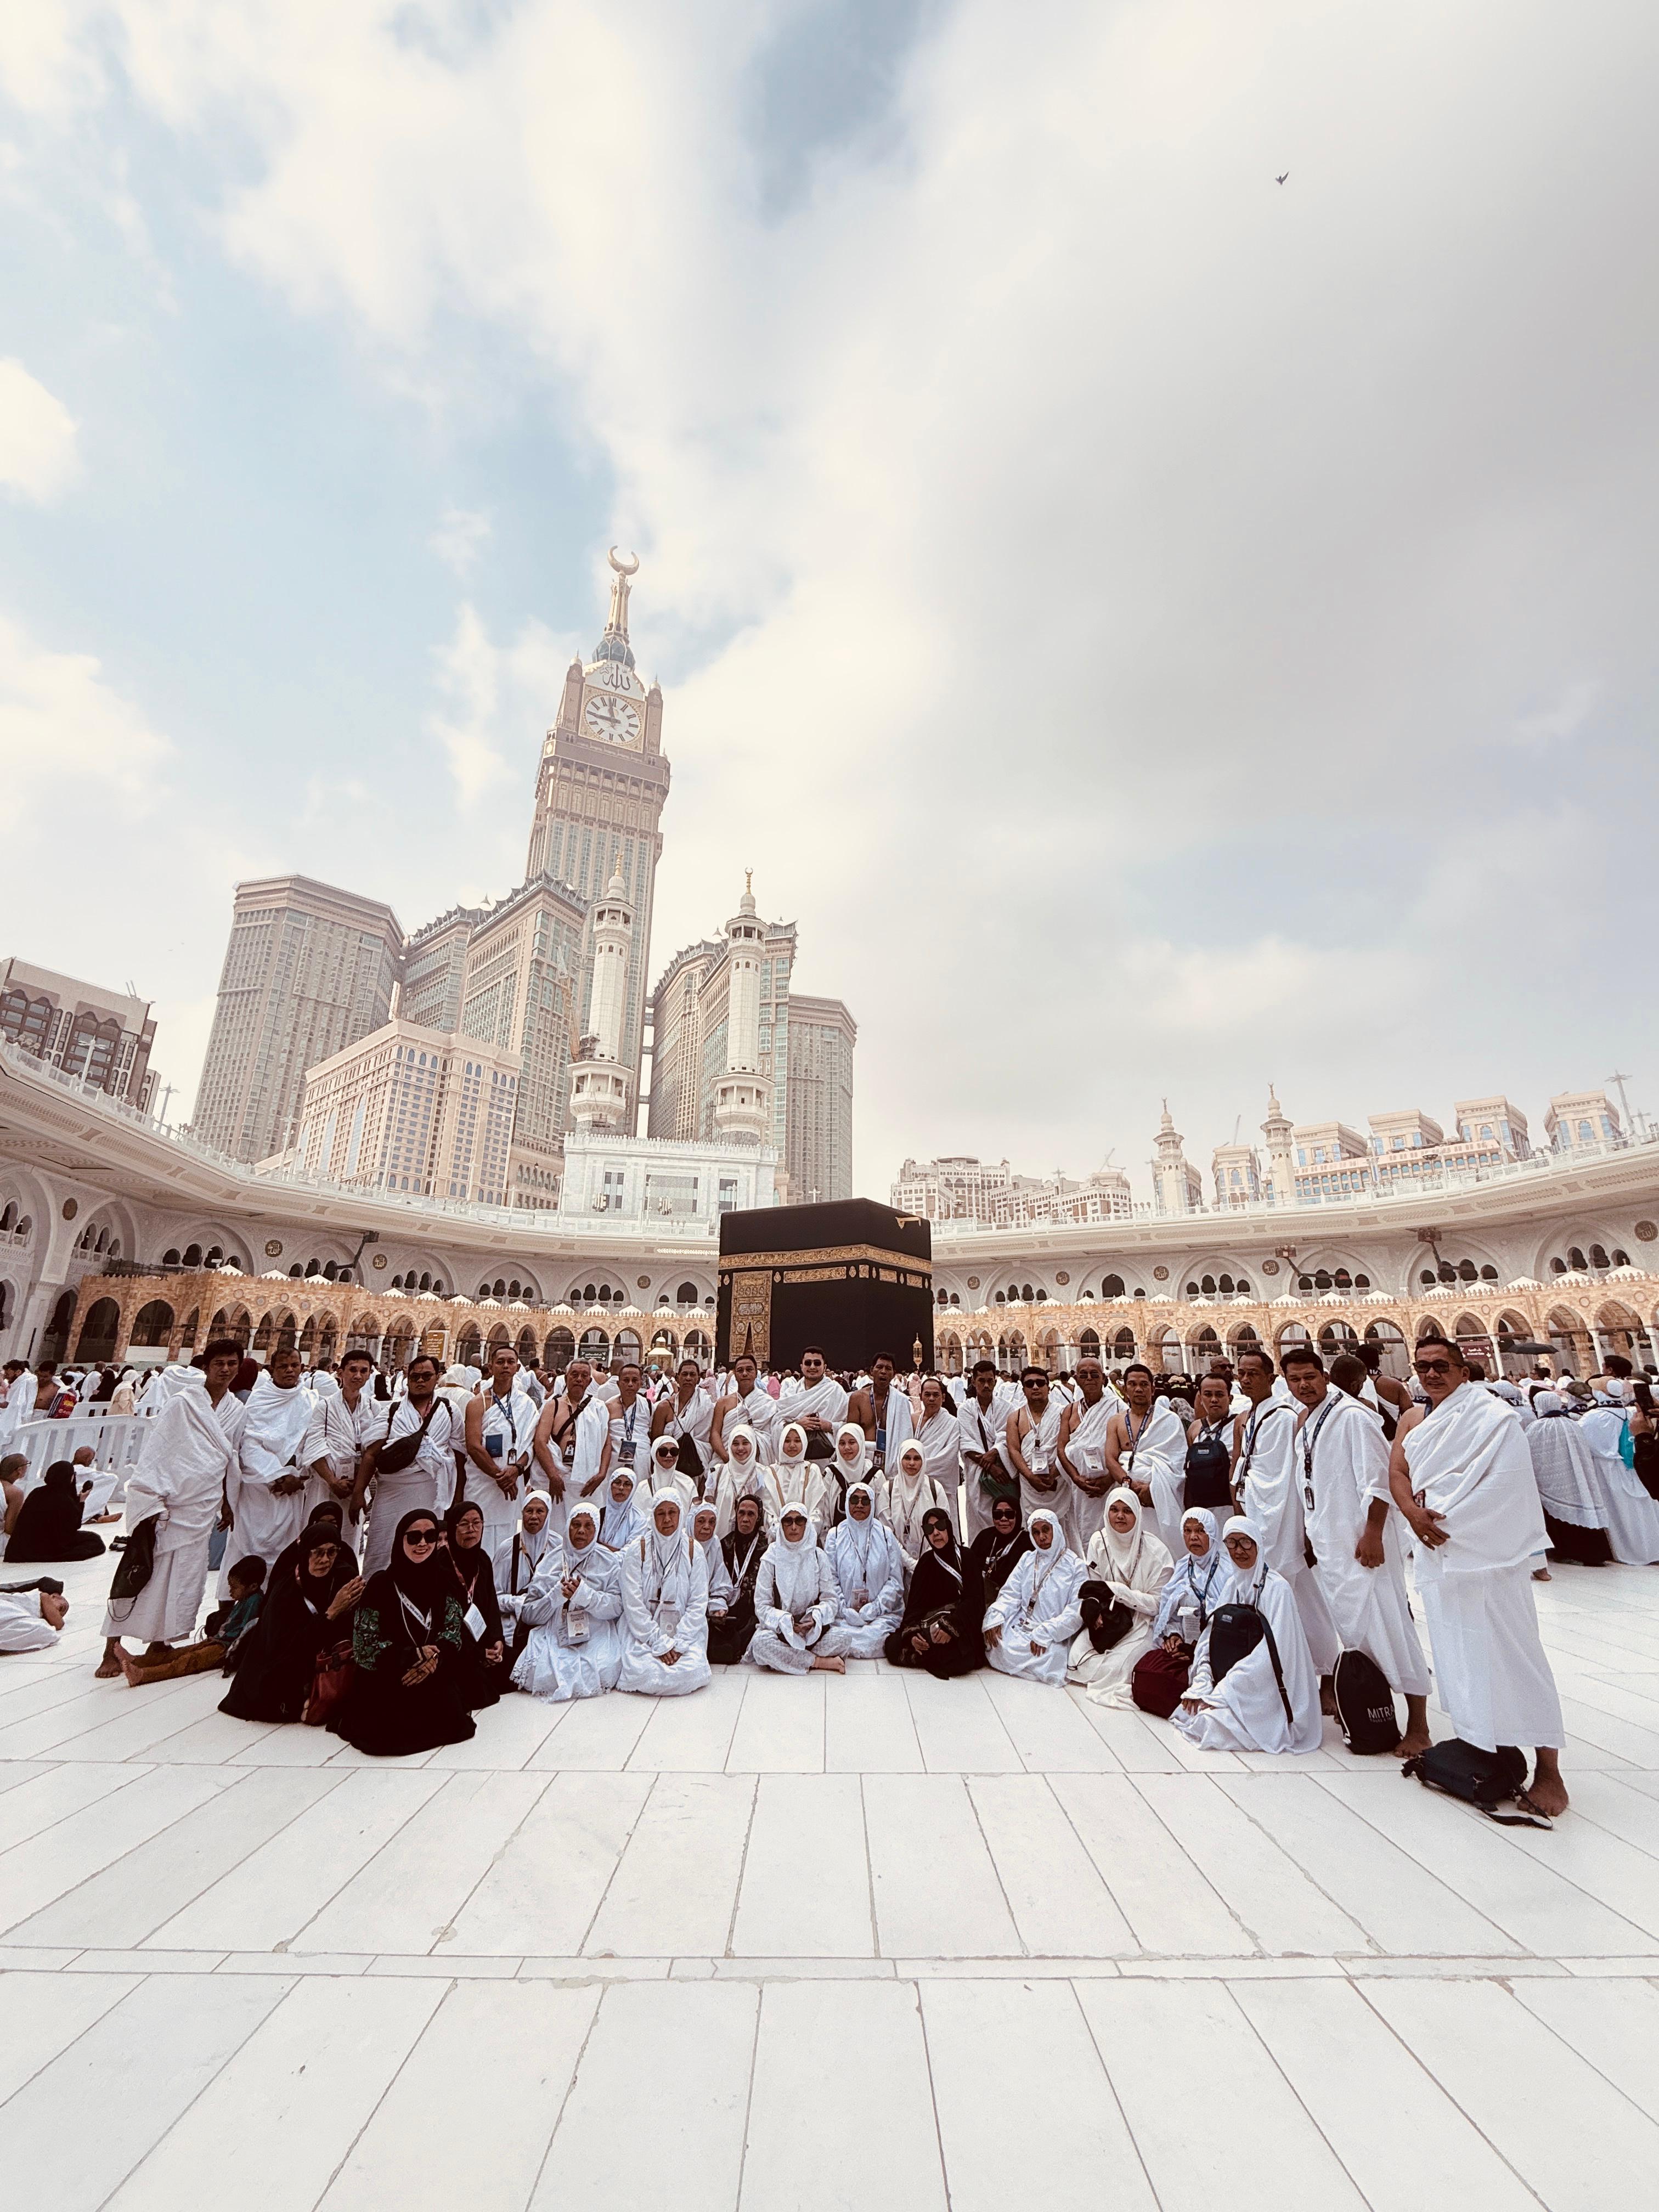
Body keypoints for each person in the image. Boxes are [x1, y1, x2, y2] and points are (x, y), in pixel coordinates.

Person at [1393, 1336, 1568, 1816]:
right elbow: (1398, 1474)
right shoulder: (1415, 1420)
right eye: (1423, 1367)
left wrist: (1454, 1525)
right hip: (1440, 1561)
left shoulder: (1493, 1418)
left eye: (1441, 1366)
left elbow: (1509, 1484)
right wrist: (1412, 1514)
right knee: (1462, 1657)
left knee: (1517, 1657)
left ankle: (1550, 1772)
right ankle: (1484, 1744)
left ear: (1462, 1371)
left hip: (1489, 1558)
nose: (1432, 1375)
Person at [1283, 1345, 1432, 1754]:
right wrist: (1311, 1534)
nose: (1303, 1386)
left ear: (1324, 1376)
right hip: (1332, 1546)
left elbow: (1380, 1480)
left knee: (1391, 1628)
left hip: (1363, 1545)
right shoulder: (1309, 1421)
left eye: (1309, 1377)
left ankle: (1419, 1726)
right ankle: (1372, 1713)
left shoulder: (1352, 1417)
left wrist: (1372, 1532)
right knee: (1356, 1635)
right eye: (1294, 1380)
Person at [97, 1339, 246, 1679]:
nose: (226, 1369)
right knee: (141, 1574)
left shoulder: (236, 1410)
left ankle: (161, 1642)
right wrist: (153, 1498)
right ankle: (110, 1647)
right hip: (169, 1503)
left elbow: (227, 1457)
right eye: (219, 1363)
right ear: (206, 1367)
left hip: (202, 1505)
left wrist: (227, 1501)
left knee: (185, 1579)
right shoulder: (184, 1403)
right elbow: (161, 1451)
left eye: (232, 1363)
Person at [330, 1509, 476, 1756]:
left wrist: (431, 1661)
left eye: (430, 1537)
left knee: (451, 1713)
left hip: (432, 1672)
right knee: (385, 1733)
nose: (423, 1544)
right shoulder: (381, 1585)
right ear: (400, 1540)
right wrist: (411, 1656)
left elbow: (453, 1632)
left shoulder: (443, 1580)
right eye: (414, 1537)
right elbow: (364, 1647)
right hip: (389, 1675)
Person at [1175, 1516, 1323, 1753]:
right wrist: (1202, 1686)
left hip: (1268, 1688)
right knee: (1188, 1713)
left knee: (1209, 1725)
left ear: (1258, 1546)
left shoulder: (1278, 1589)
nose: (1239, 1551)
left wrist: (1223, 1694)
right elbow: (1208, 1643)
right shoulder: (1232, 1585)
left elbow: (1271, 1656)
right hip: (1234, 1683)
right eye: (1232, 1543)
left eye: (1246, 1543)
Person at [1231, 1347, 1339, 1672]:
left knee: (1290, 1600)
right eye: (1242, 1374)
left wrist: (1283, 1530)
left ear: (1271, 1378)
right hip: (1258, 1517)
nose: (1247, 1380)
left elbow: (1283, 1480)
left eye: (1254, 1374)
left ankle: (1315, 1669)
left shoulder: (1283, 1417)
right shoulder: (1251, 1418)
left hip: (1278, 1524)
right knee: (1301, 1601)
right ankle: (1312, 1667)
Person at [218, 1518, 363, 1722]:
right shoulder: (286, 1591)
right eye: (318, 1552)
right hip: (287, 1666)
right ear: (305, 1553)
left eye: (332, 1552)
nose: (325, 1560)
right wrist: (332, 1613)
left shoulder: (342, 1577)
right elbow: (286, 1649)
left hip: (333, 1659)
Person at [1067, 1487, 1173, 1707]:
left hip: (1142, 1621)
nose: (1120, 1516)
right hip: (1109, 1617)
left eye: (1127, 1511)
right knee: (1075, 1661)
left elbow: (1158, 1604)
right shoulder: (1099, 1541)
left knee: (1117, 1670)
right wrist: (1094, 1609)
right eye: (1114, 1510)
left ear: (1137, 1514)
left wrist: (1119, 1592)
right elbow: (1093, 1586)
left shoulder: (1157, 1551)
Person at [355, 1355, 459, 1575]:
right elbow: (371, 1454)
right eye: (415, 1377)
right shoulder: (392, 1411)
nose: (420, 1381)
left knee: (425, 1548)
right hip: (392, 1493)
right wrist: (358, 1493)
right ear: (408, 1379)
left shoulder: (449, 1411)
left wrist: (457, 1500)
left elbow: (459, 1456)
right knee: (382, 1549)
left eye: (427, 1376)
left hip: (431, 1493)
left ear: (437, 1378)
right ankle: (376, 1600)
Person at [514, 1502, 625, 1701]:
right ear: (567, 1527)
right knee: (541, 1667)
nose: (581, 1531)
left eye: (588, 1526)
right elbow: (529, 1613)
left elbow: (617, 1607)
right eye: (576, 1525)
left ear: (596, 1529)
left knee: (602, 1666)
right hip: (555, 1630)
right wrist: (555, 1597)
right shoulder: (551, 1560)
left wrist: (586, 1596)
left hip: (595, 1630)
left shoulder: (608, 1561)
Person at [224, 1347, 317, 1588]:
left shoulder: (310, 1400)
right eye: (283, 1366)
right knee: (247, 1553)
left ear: (302, 1368)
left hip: (294, 1489)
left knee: (286, 1553)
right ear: (272, 1370)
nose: (290, 1371)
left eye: (295, 1365)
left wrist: (299, 1476)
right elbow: (249, 1443)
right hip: (260, 1489)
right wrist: (278, 1476)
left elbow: (312, 1443)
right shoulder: (260, 1399)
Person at [614, 1488, 711, 1696]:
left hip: (685, 1632)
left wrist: (679, 1643)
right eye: (661, 1513)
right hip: (643, 1632)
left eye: (672, 1513)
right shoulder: (636, 1550)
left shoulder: (694, 1550)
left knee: (690, 1672)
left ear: (681, 1514)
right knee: (646, 1672)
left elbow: (698, 1603)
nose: (667, 1520)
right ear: (653, 1516)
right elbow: (633, 1605)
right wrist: (657, 1641)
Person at [983, 1507, 1087, 1684]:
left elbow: (1077, 1610)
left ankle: (1027, 1663)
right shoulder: (1028, 1559)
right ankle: (1028, 1665)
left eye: (1046, 1530)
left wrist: (1047, 1632)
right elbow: (1010, 1594)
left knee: (1054, 1655)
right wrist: (996, 1616)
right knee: (998, 1640)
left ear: (1056, 1529)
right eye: (1036, 1532)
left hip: (1052, 1630)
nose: (1042, 1537)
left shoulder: (1075, 1565)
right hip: (1022, 1624)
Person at [750, 1503, 851, 1674]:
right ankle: (818, 1661)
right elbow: (761, 1605)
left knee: (845, 1638)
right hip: (780, 1631)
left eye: (800, 1521)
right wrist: (785, 1621)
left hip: (812, 1631)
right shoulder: (771, 1557)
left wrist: (814, 1618)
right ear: (781, 1526)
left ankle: (790, 1659)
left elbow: (831, 1601)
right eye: (788, 1522)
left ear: (807, 1524)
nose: (794, 1527)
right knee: (760, 1645)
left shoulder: (818, 1556)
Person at [459, 1345, 539, 1555]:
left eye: (510, 1362)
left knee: (509, 1537)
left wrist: (515, 1470)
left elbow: (531, 1444)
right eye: (500, 1362)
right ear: (491, 1367)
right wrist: (500, 1475)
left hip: (514, 1481)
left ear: (517, 1367)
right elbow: (474, 1446)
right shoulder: (477, 1403)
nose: (505, 1366)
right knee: (478, 1530)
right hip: (484, 1482)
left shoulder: (527, 1404)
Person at [884, 1505, 983, 1676]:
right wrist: (913, 1635)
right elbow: (915, 1607)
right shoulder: (926, 1562)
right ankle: (925, 1650)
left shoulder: (966, 1558)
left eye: (940, 1527)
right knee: (892, 1646)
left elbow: (975, 1601)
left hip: (961, 1623)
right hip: (931, 1625)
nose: (936, 1533)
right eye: (930, 1529)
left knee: (961, 1657)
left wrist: (950, 1627)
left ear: (949, 1527)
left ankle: (931, 1655)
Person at [1104, 1364, 1189, 1557]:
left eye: (1144, 1384)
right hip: (1125, 1494)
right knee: (1126, 1548)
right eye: (1132, 1384)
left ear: (1153, 1388)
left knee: (1158, 1550)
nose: (1139, 1389)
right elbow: (1110, 1459)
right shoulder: (1116, 1421)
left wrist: (1153, 1490)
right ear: (1125, 1389)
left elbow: (1178, 1463)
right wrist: (1130, 1484)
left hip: (1157, 1496)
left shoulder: (1168, 1420)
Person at [301, 1347, 387, 1526]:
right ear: (340, 1373)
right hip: (325, 1486)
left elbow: (377, 1449)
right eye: (353, 1370)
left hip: (357, 1486)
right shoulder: (324, 1407)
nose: (358, 1376)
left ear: (370, 1374)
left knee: (350, 1536)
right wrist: (333, 1482)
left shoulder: (374, 1408)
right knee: (321, 1532)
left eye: (364, 1371)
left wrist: (359, 1487)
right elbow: (314, 1447)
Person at [823, 1480, 905, 1656]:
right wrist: (844, 1610)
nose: (859, 1505)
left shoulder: (885, 1534)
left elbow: (895, 1581)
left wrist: (876, 1608)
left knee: (876, 1636)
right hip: (842, 1618)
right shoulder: (835, 1535)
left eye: (865, 1501)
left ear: (873, 1504)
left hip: (882, 1617)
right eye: (854, 1500)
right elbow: (829, 1579)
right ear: (847, 1503)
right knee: (837, 1635)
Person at [443, 1499, 510, 1707]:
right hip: (456, 1646)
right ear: (453, 1527)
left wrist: (497, 1640)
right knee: (478, 1691)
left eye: (477, 1523)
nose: (471, 1530)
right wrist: (479, 1654)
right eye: (464, 1524)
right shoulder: (441, 1563)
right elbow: (444, 1622)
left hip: (481, 1640)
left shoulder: (482, 1559)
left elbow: (491, 1604)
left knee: (516, 1666)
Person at [533, 1356, 608, 1530]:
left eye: (584, 1376)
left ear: (590, 1381)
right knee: (557, 1532)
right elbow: (540, 1442)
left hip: (588, 1482)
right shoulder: (553, 1406)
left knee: (586, 1531)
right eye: (574, 1375)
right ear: (566, 1378)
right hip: (559, 1480)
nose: (579, 1379)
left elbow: (606, 1443)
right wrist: (553, 1475)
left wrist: (602, 1474)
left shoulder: (598, 1408)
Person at [1056, 1356, 1117, 1553]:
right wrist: (1075, 1478)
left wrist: (1109, 1479)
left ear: (1103, 1378)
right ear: (1077, 1379)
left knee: (1114, 1536)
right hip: (1082, 1488)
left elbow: (1126, 1449)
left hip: (1111, 1486)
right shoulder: (1070, 1411)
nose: (1089, 1378)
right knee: (1088, 1538)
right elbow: (1061, 1448)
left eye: (1094, 1374)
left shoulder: (1117, 1407)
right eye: (1084, 1375)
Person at [957, 1359, 1017, 1541]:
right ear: (973, 1382)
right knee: (978, 1520)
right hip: (979, 1475)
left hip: (1002, 1473)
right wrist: (991, 1467)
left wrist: (996, 1451)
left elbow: (1010, 1438)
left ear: (996, 1382)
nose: (986, 1385)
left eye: (990, 1381)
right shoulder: (966, 1410)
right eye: (981, 1381)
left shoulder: (1007, 1408)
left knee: (1004, 1517)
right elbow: (966, 1443)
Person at [494, 1490, 556, 1657]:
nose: (534, 1516)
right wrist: (517, 1603)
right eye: (529, 1511)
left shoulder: (558, 1548)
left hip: (548, 1621)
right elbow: (493, 1597)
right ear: (522, 1514)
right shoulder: (508, 1549)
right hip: (513, 1622)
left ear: (548, 1514)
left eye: (540, 1511)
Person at [3, 1460, 105, 1561]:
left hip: (23, 1547)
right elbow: (74, 1527)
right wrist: (81, 1502)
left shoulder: (36, 1493)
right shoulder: (65, 1499)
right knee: (94, 1540)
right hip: (49, 1545)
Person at [710, 1491, 768, 1664]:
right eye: (741, 1513)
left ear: (759, 1518)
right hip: (725, 1614)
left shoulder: (766, 1548)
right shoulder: (725, 1544)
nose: (745, 1519)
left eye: (751, 1514)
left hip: (754, 1614)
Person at [1005, 1366, 1066, 1523]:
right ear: (1024, 1389)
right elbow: (1014, 1450)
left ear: (1049, 1387)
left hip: (1058, 1483)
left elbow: (1069, 1447)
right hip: (1029, 1484)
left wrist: (1054, 1473)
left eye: (1040, 1383)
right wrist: (1030, 1476)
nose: (1035, 1387)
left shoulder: (1064, 1413)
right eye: (1030, 1384)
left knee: (1063, 1526)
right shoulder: (1016, 1417)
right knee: (1033, 1524)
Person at [882, 1436, 951, 1571]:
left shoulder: (935, 1488)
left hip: (933, 1564)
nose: (912, 1463)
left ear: (923, 1461)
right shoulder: (888, 1490)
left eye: (917, 1458)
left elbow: (944, 1528)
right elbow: (886, 1533)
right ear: (900, 1459)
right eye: (907, 1458)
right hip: (896, 1564)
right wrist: (910, 1563)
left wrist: (925, 1561)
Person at [962, 1493, 1032, 1620]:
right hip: (981, 1604)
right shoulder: (985, 1537)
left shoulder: (1027, 1543)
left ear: (1018, 1515)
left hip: (1014, 1607)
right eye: (998, 1515)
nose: (1004, 1519)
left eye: (1009, 1514)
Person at [651, 1358, 714, 1494]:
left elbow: (708, 1440)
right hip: (668, 1468)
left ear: (698, 1379)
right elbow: (656, 1443)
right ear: (678, 1378)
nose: (688, 1378)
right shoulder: (664, 1407)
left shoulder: (706, 1405)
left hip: (697, 1466)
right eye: (685, 1375)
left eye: (692, 1375)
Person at [909, 1375, 961, 1531]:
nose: (931, 1398)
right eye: (927, 1395)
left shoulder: (952, 1423)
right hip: (914, 1487)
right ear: (921, 1397)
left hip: (941, 1488)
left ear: (943, 1398)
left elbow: (947, 1460)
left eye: (936, 1395)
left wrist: (916, 1471)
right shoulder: (914, 1420)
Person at [778, 1345, 850, 1456]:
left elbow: (849, 1426)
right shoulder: (791, 1393)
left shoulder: (836, 1391)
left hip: (827, 1457)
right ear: (802, 1366)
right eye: (808, 1363)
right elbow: (777, 1422)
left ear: (825, 1367)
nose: (812, 1367)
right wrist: (797, 1424)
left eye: (817, 1363)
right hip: (795, 1456)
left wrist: (830, 1426)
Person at [710, 1353, 780, 1464]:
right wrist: (728, 1460)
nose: (745, 1374)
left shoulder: (767, 1403)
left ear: (756, 1373)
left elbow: (771, 1436)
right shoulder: (723, 1403)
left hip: (757, 1464)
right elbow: (715, 1434)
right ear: (735, 1374)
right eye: (740, 1370)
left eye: (749, 1370)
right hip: (725, 1463)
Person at [849, 1352, 914, 1473]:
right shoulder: (857, 1398)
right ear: (872, 1371)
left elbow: (906, 1437)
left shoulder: (902, 1401)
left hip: (891, 1456)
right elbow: (851, 1435)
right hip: (862, 1459)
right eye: (879, 1367)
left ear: (894, 1374)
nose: (883, 1371)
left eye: (888, 1369)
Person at [760, 1421, 829, 1533]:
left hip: (808, 1537)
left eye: (797, 1441)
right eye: (787, 1441)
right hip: (777, 1538)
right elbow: (769, 1512)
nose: (792, 1445)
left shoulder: (812, 1470)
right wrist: (782, 1534)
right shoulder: (771, 1472)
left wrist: (804, 1534)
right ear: (781, 1443)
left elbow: (817, 1509)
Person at [1182, 1374, 1235, 1516]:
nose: (1214, 1400)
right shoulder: (1195, 1428)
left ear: (1230, 1399)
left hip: (1228, 1503)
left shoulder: (1239, 1425)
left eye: (1219, 1395)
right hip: (1200, 1505)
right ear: (1200, 1399)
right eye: (1208, 1395)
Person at [712, 1423, 768, 1538]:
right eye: (735, 1444)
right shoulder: (717, 1473)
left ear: (753, 1445)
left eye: (745, 1443)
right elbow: (708, 1505)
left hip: (753, 1541)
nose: (740, 1448)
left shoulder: (764, 1473)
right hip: (721, 1538)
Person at [822, 1420, 872, 1527]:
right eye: (842, 1443)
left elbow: (881, 1513)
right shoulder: (831, 1473)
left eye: (852, 1442)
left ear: (860, 1443)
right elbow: (825, 1510)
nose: (847, 1448)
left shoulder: (874, 1474)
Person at [0, 1579, 68, 1652]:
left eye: (61, 1616)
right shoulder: (40, 1597)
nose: (59, 1614)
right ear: (54, 1596)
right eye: (61, 1608)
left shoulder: (28, 1617)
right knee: (44, 1632)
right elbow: (58, 1624)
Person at [597, 1463, 650, 1549]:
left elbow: (631, 1553)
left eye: (627, 1484)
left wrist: (599, 1549)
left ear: (633, 1489)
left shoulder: (638, 1518)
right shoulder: (598, 1515)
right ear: (610, 1485)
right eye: (617, 1483)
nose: (621, 1488)